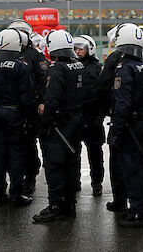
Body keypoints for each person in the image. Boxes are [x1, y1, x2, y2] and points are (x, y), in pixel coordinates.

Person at [106, 24, 143, 228]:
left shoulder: (124, 68)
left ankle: (138, 213)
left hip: (129, 127)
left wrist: (116, 132)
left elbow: (122, 103)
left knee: (131, 169)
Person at [33, 30, 84, 223]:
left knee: (55, 166)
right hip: (75, 121)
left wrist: (44, 122)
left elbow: (52, 100)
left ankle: (56, 206)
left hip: (59, 124)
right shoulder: (78, 65)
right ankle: (69, 205)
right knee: (71, 165)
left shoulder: (57, 69)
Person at [0, 29, 34, 206]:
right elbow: (26, 96)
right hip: (15, 116)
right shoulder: (20, 66)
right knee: (16, 156)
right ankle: (15, 194)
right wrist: (30, 118)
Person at [7, 19, 48, 195]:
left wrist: (40, 101)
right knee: (12, 145)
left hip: (30, 108)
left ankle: (30, 177)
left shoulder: (35, 55)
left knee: (29, 142)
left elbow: (44, 80)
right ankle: (15, 177)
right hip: (11, 108)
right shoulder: (6, 54)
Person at [73, 35, 105, 196]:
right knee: (74, 152)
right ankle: (75, 181)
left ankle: (97, 182)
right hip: (76, 116)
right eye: (76, 48)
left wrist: (99, 117)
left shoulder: (96, 67)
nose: (78, 51)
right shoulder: (71, 65)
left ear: (89, 49)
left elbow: (100, 94)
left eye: (81, 49)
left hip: (92, 116)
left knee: (95, 152)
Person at [102, 25, 125, 212]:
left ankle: (120, 201)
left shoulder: (114, 59)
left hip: (119, 119)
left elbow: (103, 86)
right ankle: (141, 205)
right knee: (141, 163)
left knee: (117, 163)